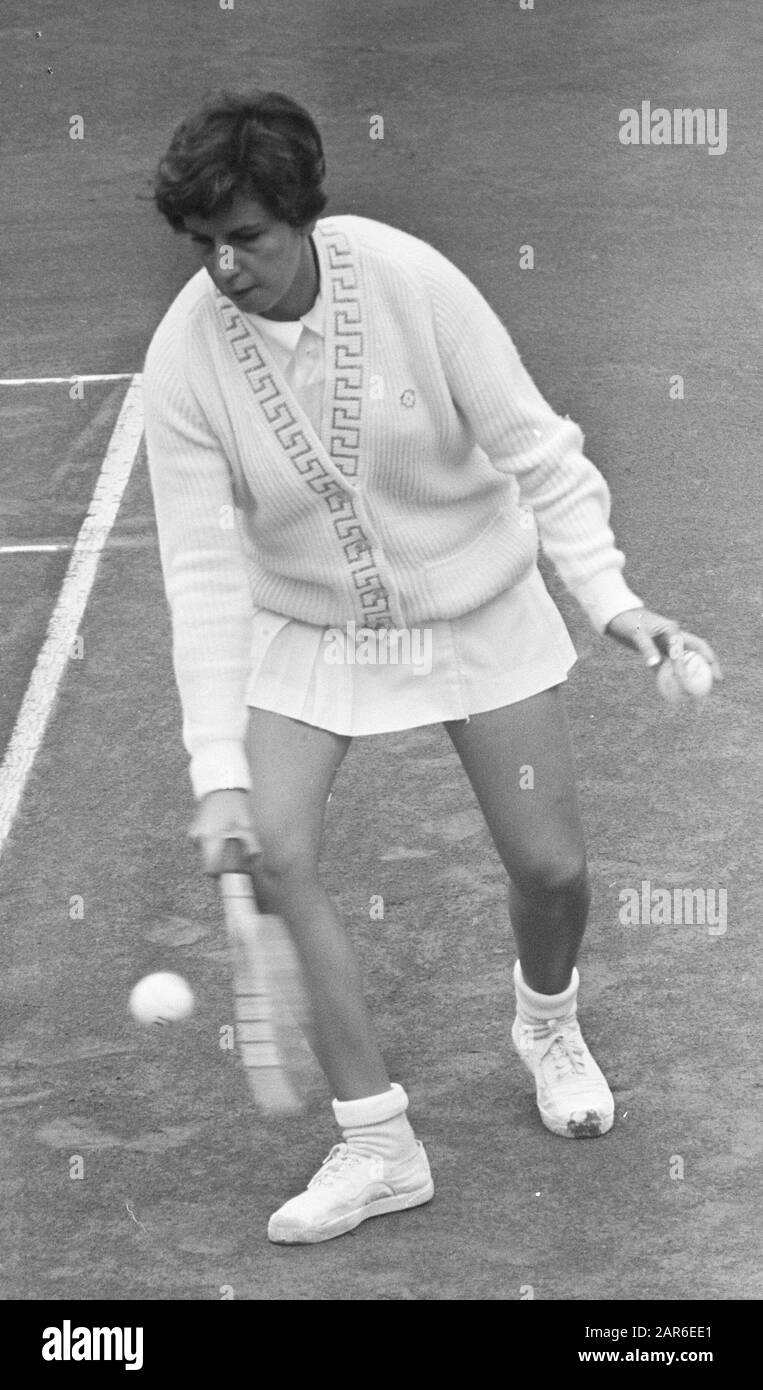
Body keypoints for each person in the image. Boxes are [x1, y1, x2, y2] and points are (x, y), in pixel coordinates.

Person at [143, 90, 721, 1245]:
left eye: (247, 238)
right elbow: (204, 584)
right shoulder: (184, 362)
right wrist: (218, 772)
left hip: (475, 603)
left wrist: (612, 600)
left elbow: (538, 454)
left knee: (552, 871)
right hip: (310, 630)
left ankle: (546, 1021)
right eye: (206, 245)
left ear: (304, 216)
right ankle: (376, 1140)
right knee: (277, 853)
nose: (225, 269)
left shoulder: (412, 281)